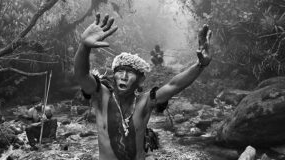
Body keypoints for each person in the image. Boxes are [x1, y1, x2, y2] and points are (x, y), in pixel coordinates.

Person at [74, 13, 212, 160]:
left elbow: (174, 85)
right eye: (120, 71)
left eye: (130, 73)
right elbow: (82, 75)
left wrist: (200, 65)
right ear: (114, 75)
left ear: (140, 80)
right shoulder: (102, 97)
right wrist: (84, 46)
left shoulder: (145, 102)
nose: (124, 76)